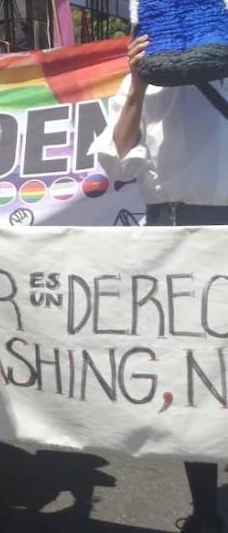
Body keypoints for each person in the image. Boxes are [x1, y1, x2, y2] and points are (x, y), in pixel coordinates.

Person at [90, 33, 226, 533]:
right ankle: (205, 510)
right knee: (190, 370)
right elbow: (116, 159)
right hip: (165, 233)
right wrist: (141, 81)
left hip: (221, 226)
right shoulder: (140, 79)